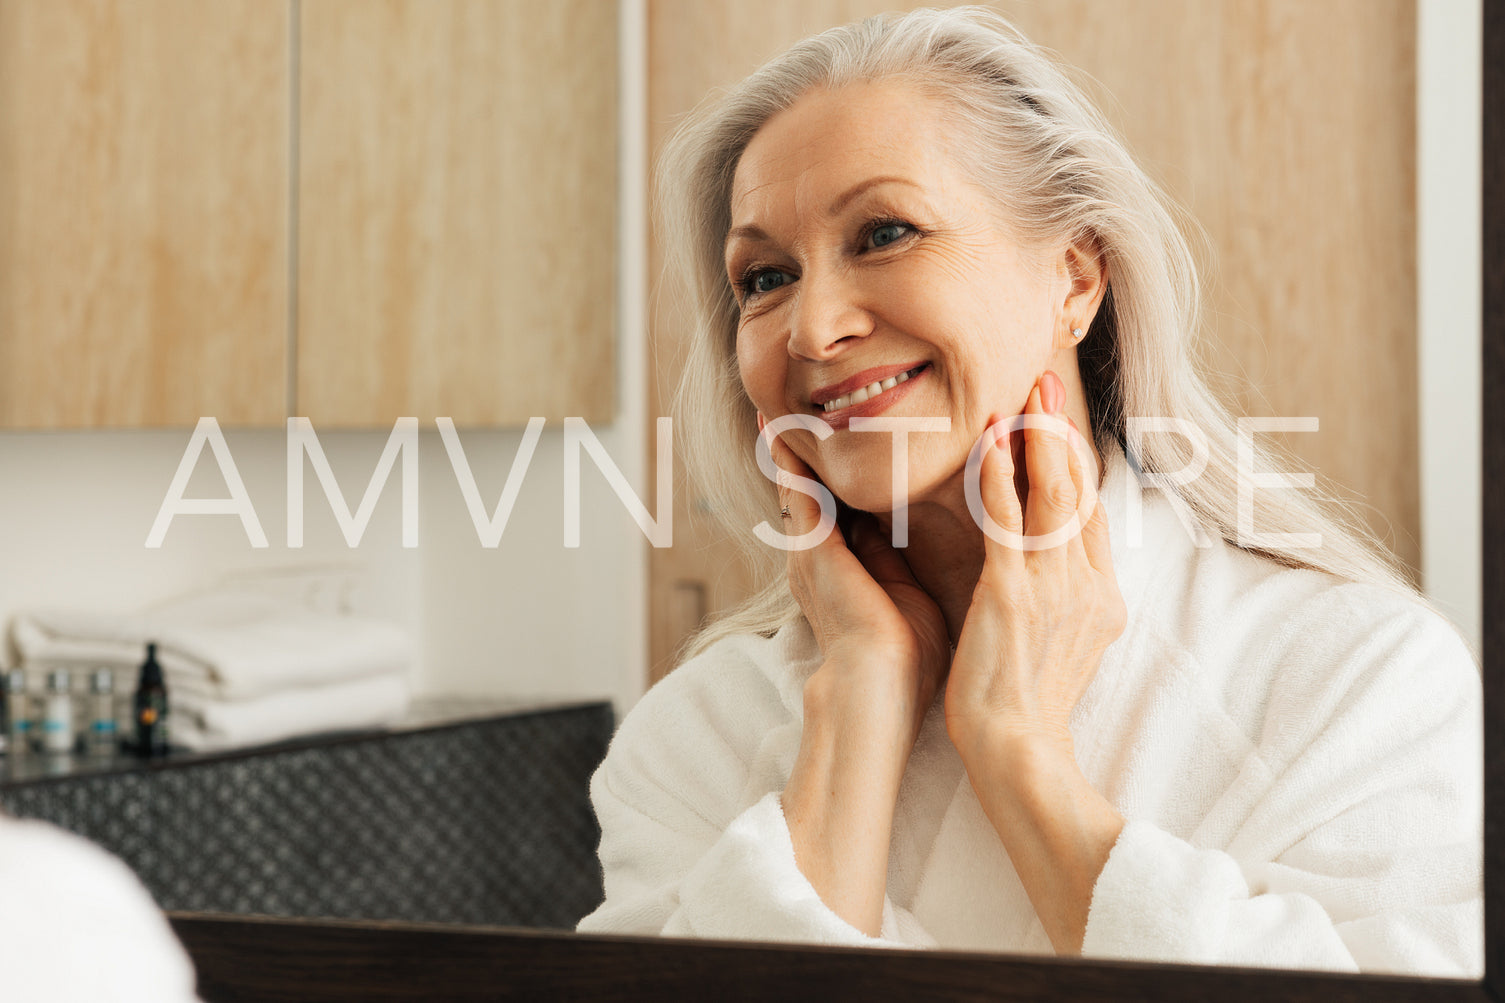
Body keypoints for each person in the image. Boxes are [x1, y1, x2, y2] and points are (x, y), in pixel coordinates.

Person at [577, 7, 1481, 976]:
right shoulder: (688, 737)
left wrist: (1020, 754)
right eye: (764, 276)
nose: (812, 326)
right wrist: (855, 714)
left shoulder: (1354, 677)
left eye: (883, 232)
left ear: (1073, 275)